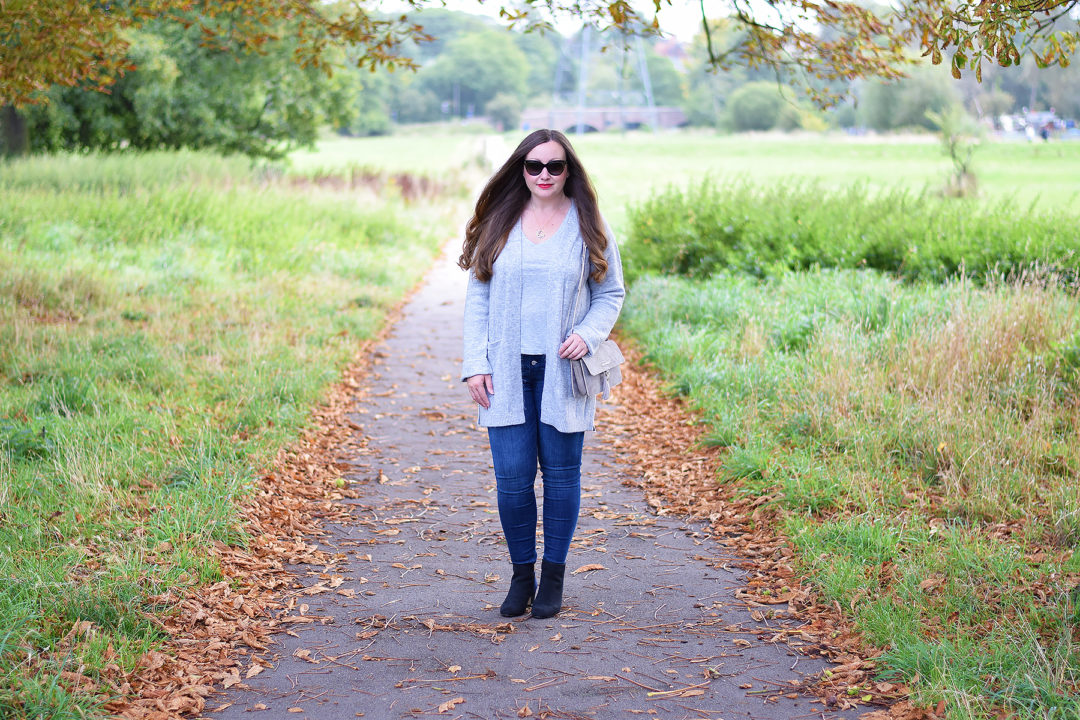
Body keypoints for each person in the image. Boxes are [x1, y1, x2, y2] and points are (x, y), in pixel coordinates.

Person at [459, 129, 624, 619]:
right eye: (535, 166)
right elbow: (478, 298)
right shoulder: (500, 221)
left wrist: (589, 334)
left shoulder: (589, 224)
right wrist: (475, 365)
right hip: (506, 372)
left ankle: (553, 576)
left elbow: (610, 293)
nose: (545, 175)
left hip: (563, 371)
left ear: (569, 169)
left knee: (560, 477)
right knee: (511, 483)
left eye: (555, 166)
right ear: (521, 169)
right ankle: (521, 575)